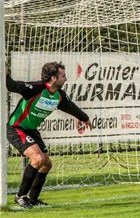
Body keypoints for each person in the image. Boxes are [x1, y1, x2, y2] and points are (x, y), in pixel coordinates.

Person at [7, 62, 92, 209]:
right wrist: (4, 70)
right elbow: (12, 86)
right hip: (16, 128)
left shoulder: (59, 95)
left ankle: (33, 199)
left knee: (46, 164)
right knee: (38, 159)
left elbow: (70, 107)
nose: (66, 79)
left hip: (32, 130)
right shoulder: (36, 89)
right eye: (63, 76)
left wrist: (84, 118)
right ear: (53, 77)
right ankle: (20, 196)